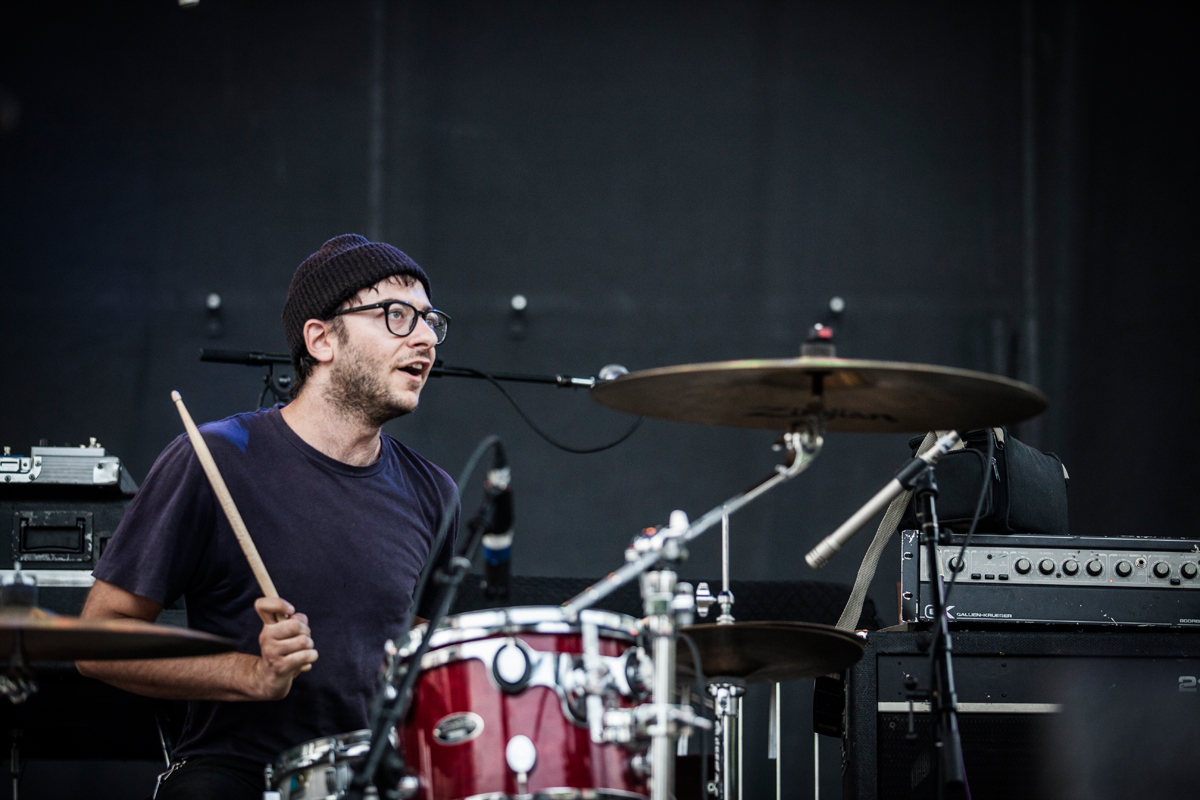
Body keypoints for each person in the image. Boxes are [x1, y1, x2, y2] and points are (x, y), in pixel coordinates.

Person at [76, 234, 459, 799]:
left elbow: (423, 648)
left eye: (430, 321)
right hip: (239, 773)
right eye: (397, 315)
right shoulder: (215, 458)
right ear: (321, 339)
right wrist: (249, 673)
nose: (425, 338)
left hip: (371, 778)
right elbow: (95, 640)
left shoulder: (434, 492)